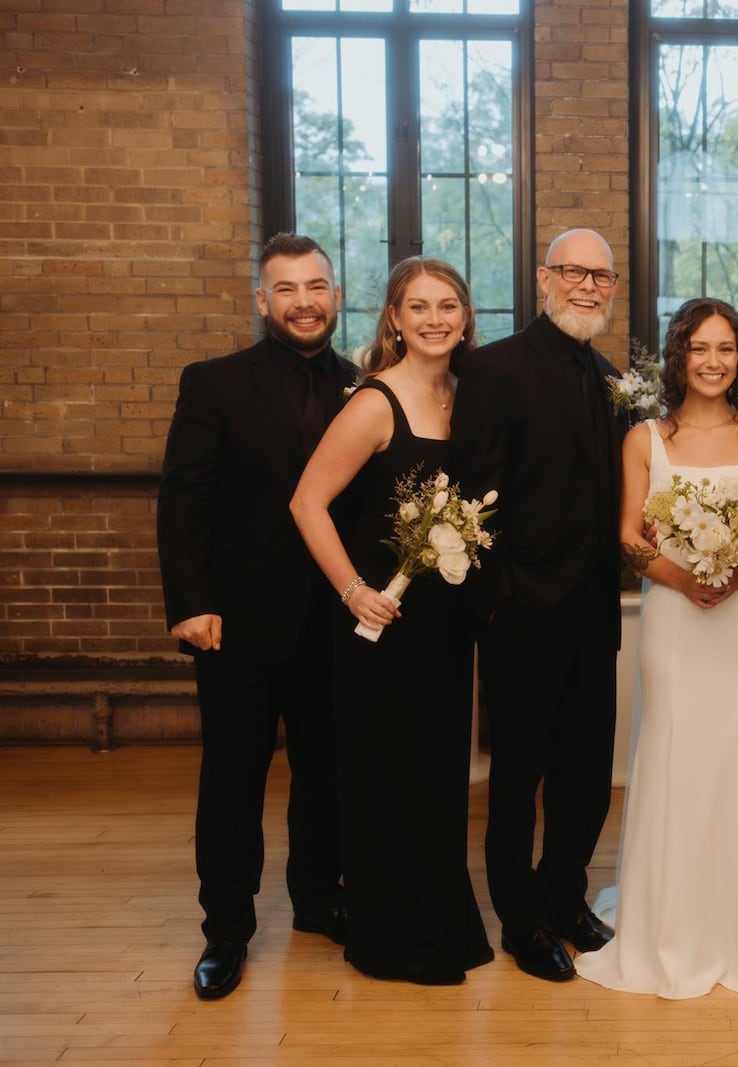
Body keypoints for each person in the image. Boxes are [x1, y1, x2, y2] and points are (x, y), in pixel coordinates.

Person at [574, 298, 738, 999]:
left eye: (726, 348)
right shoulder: (644, 439)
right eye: (699, 348)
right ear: (677, 356)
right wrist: (684, 577)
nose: (713, 361)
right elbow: (627, 535)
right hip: (675, 622)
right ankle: (673, 918)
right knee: (679, 751)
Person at [157, 233, 356, 999]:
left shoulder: (365, 386)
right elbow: (184, 499)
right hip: (236, 622)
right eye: (287, 289)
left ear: (337, 295)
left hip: (335, 623)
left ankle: (319, 898)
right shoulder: (214, 383)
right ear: (262, 299)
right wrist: (192, 603)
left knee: (327, 772)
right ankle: (226, 930)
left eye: (316, 286)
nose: (304, 302)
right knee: (233, 781)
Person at [288, 257, 494, 985]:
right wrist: (353, 590)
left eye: (448, 305)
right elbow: (307, 502)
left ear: (465, 317)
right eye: (419, 307)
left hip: (445, 622)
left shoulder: (468, 397)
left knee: (438, 775)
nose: (435, 319)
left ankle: (439, 920)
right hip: (380, 624)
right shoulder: (375, 401)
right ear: (395, 320)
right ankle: (392, 938)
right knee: (388, 774)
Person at [450, 229, 626, 982]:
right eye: (574, 271)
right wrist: (496, 603)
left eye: (601, 276)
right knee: (518, 778)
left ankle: (566, 897)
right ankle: (522, 920)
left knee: (586, 774)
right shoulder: (493, 370)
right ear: (543, 277)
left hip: (594, 613)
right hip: (521, 613)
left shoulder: (612, 378)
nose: (588, 285)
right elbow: (469, 495)